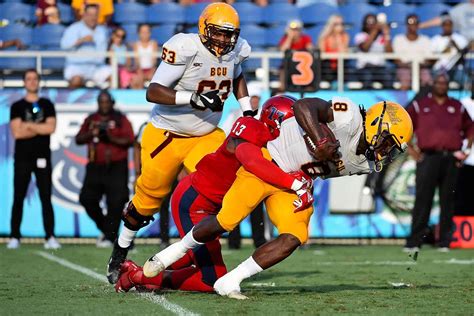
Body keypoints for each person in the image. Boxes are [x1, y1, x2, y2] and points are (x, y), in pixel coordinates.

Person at [141, 97, 413, 299]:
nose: (387, 152)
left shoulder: (365, 162)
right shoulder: (348, 115)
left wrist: (305, 187)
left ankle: (230, 281)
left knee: (294, 236)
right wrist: (319, 139)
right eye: (388, 142)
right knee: (226, 220)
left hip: (294, 182)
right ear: (376, 124)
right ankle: (172, 253)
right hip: (269, 162)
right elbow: (303, 106)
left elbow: (320, 171)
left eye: (393, 149)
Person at [106, 2, 255, 284]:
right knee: (147, 201)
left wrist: (247, 108)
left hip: (207, 135)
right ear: (204, 28)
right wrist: (193, 98)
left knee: (219, 186)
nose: (224, 40)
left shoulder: (236, 51)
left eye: (229, 34)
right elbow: (153, 91)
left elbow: (236, 76)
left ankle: (191, 252)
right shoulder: (185, 47)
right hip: (167, 135)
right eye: (218, 33)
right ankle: (120, 253)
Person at [115, 95, 312, 293]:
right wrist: (295, 183)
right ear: (276, 119)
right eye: (292, 124)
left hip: (209, 207)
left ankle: (137, 272)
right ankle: (136, 276)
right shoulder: (251, 128)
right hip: (195, 201)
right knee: (210, 280)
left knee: (192, 257)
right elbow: (253, 162)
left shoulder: (281, 146)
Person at [404, 74, 474, 252]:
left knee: (448, 201)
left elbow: (471, 128)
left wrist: (466, 151)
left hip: (451, 158)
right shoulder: (421, 105)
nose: (442, 86)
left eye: (445, 83)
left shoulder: (456, 106)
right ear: (432, 84)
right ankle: (414, 242)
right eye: (439, 83)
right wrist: (410, 148)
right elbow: (404, 124)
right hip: (428, 157)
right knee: (422, 200)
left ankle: (444, 242)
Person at [7, 69, 60, 250]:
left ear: (39, 82)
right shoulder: (16, 106)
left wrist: (28, 125)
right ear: (24, 82)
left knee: (46, 197)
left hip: (42, 157)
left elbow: (51, 128)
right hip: (22, 158)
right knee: (18, 197)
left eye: (35, 79)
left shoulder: (47, 104)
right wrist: (39, 126)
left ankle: (50, 236)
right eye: (28, 79)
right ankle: (14, 236)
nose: (32, 82)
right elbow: (17, 132)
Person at [75, 90, 134, 248]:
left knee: (116, 202)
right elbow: (78, 139)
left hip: (116, 166)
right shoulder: (92, 119)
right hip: (95, 166)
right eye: (101, 101)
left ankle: (111, 237)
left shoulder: (120, 119)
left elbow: (129, 140)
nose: (104, 105)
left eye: (107, 101)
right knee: (87, 198)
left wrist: (110, 137)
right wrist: (91, 133)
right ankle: (110, 232)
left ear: (112, 103)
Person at [60, 4, 112, 88]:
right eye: (90, 14)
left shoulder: (102, 31)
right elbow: (64, 46)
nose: (93, 17)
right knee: (76, 81)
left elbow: (102, 54)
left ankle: (110, 100)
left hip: (96, 67)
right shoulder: (73, 29)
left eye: (95, 15)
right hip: (76, 66)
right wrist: (81, 41)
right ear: (84, 15)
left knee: (114, 77)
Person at [392, 14, 432, 91]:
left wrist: (418, 66)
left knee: (427, 79)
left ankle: (427, 101)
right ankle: (404, 102)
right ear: (406, 25)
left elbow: (429, 60)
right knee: (405, 79)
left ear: (418, 25)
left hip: (421, 68)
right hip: (403, 68)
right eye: (410, 23)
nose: (412, 25)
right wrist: (409, 66)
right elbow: (396, 60)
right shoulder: (398, 39)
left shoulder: (425, 40)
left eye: (415, 23)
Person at [354, 13, 393, 89]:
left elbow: (390, 53)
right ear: (364, 24)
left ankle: (387, 99)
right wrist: (375, 30)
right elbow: (365, 48)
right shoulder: (360, 36)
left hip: (380, 68)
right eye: (369, 22)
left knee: (388, 78)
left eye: (373, 22)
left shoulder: (382, 37)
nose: (371, 24)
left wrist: (386, 34)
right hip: (365, 68)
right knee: (367, 78)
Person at [430, 17, 468, 82]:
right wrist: (444, 50)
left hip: (456, 69)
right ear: (442, 26)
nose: (447, 27)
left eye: (449, 25)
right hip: (439, 69)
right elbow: (431, 57)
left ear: (452, 26)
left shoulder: (460, 39)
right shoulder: (435, 39)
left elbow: (465, 54)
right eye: (445, 25)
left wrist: (455, 45)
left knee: (466, 81)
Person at [318, 15, 349, 83]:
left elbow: (343, 53)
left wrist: (338, 37)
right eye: (336, 24)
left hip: (340, 66)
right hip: (327, 66)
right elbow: (322, 54)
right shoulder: (324, 37)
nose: (339, 26)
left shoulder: (344, 36)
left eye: (341, 24)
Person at [132, 24, 159, 89]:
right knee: (136, 81)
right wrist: (141, 73)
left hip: (151, 70)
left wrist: (151, 72)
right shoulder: (136, 44)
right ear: (139, 33)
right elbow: (137, 62)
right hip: (139, 70)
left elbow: (154, 61)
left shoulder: (154, 43)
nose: (145, 34)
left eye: (147, 32)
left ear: (150, 33)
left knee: (155, 80)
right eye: (143, 32)